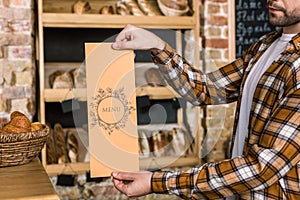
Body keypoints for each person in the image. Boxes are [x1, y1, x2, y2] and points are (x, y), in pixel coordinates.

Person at [111, 0, 300, 199]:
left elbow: (263, 167)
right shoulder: (266, 45)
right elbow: (207, 90)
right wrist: (157, 46)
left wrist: (156, 182)